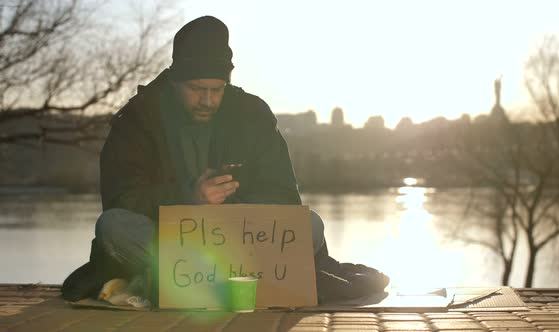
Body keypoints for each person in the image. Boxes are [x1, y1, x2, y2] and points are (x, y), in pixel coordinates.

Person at [62, 16, 389, 304]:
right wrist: (189, 198)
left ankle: (172, 286)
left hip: (242, 245)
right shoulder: (137, 118)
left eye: (216, 89)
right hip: (168, 243)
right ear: (175, 80)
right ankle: (215, 284)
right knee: (113, 228)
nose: (206, 100)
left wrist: (230, 213)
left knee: (311, 224)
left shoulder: (253, 114)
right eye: (195, 89)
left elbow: (286, 197)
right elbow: (121, 200)